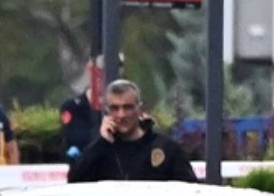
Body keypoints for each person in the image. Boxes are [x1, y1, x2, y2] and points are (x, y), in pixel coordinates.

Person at [67, 79, 197, 184]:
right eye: (115, 108)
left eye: (127, 107)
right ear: (107, 111)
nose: (121, 115)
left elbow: (189, 191)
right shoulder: (100, 151)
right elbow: (74, 181)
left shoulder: (167, 148)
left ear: (139, 109)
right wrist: (102, 142)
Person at [59, 53, 124, 161]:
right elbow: (75, 142)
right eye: (101, 69)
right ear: (90, 69)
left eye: (116, 68)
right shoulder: (73, 108)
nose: (106, 75)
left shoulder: (128, 108)